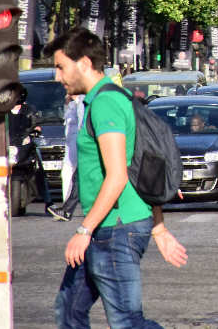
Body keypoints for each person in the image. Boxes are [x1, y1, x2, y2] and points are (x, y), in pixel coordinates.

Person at [49, 27, 187, 329]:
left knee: (126, 321)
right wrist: (159, 229)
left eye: (61, 67)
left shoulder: (105, 104)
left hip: (114, 230)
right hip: (109, 227)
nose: (57, 77)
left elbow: (119, 176)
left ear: (84, 63)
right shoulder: (115, 96)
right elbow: (143, 162)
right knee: (69, 310)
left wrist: (83, 231)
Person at [47, 93, 86, 222]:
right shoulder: (72, 104)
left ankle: (66, 210)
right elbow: (67, 121)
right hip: (71, 146)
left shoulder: (82, 102)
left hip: (81, 145)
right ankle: (66, 209)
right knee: (70, 175)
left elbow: (82, 124)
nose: (66, 93)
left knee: (78, 178)